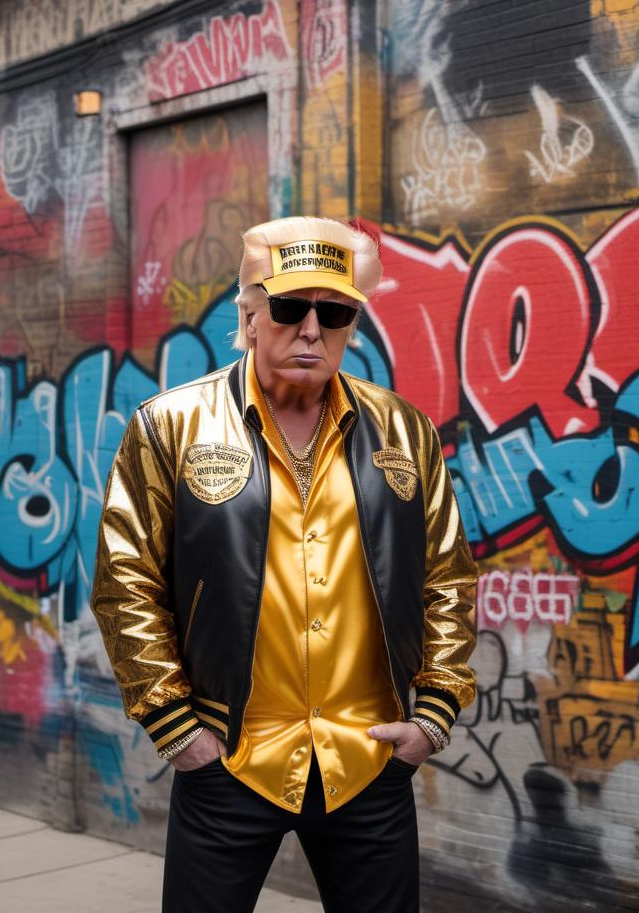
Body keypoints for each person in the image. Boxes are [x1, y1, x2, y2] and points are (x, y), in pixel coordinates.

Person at [91, 216, 478, 912]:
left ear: (351, 324)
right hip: (229, 759)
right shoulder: (170, 427)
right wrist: (178, 731)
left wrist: (433, 716)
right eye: (289, 307)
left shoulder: (404, 431)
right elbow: (126, 584)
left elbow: (447, 578)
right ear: (247, 316)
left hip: (370, 758)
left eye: (334, 312)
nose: (311, 329)